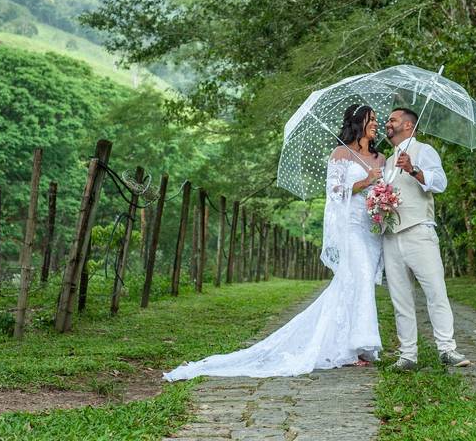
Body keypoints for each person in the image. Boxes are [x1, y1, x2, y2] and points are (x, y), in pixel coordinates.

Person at [163, 104, 385, 380]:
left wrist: (384, 199)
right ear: (357, 123)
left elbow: (385, 190)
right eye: (371, 119)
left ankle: (355, 344)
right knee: (358, 276)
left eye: (376, 119)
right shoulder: (340, 153)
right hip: (350, 226)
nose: (376, 123)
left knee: (355, 282)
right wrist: (365, 182)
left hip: (370, 227)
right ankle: (355, 346)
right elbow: (335, 192)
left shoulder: (381, 158)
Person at [382, 107, 470, 370]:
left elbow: (440, 183)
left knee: (435, 291)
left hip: (419, 231)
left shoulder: (424, 151)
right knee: (400, 298)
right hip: (391, 236)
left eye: (393, 120)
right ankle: (407, 354)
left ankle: (447, 349)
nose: (388, 123)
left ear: (408, 126)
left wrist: (413, 169)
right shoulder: (386, 162)